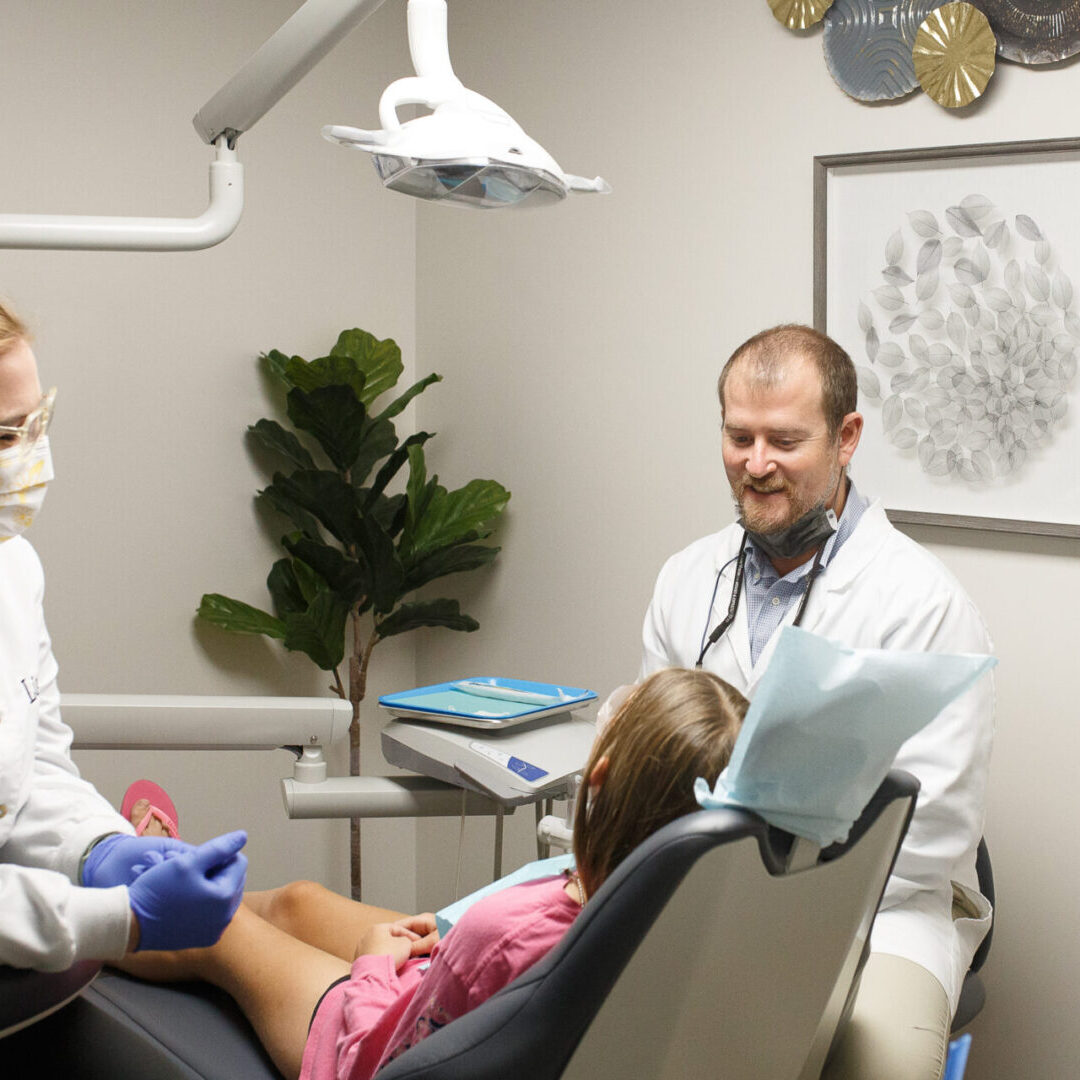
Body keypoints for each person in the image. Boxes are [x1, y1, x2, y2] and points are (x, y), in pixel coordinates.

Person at [634, 324, 994, 1080]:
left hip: (883, 908)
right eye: (739, 437)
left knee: (880, 1062)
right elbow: (651, 755)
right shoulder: (686, 580)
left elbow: (933, 824)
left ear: (847, 436)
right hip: (701, 891)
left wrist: (769, 894)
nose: (755, 465)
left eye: (784, 441)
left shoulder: (921, 602)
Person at [119, 666, 746, 1080]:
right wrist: (448, 952)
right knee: (298, 900)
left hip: (361, 1046)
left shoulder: (506, 932)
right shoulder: (682, 925)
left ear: (600, 781)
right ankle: (167, 863)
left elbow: (385, 1060)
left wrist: (369, 962)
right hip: (439, 986)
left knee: (212, 927)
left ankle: (100, 895)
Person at [0, 301, 248, 972]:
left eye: (37, 424)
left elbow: (31, 774)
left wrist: (99, 847)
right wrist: (123, 920)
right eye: (3, 437)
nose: (29, 457)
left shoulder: (13, 569)